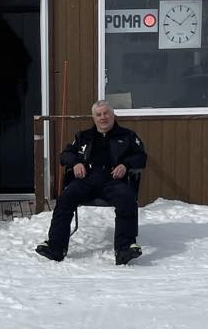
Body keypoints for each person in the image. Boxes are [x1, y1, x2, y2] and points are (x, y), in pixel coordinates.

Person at [36, 100, 147, 265]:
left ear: (113, 114)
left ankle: (124, 248)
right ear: (94, 118)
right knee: (65, 198)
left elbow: (141, 156)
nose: (103, 117)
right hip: (86, 181)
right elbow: (65, 155)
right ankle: (56, 247)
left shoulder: (127, 136)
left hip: (113, 181)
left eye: (106, 113)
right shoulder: (83, 136)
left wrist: (126, 165)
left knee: (127, 199)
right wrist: (75, 163)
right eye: (98, 114)